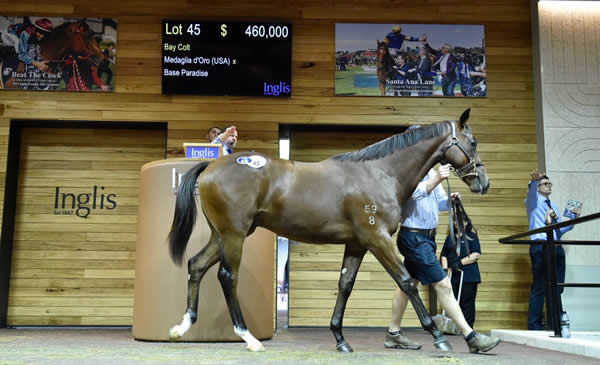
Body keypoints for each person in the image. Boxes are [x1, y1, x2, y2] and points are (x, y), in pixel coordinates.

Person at [385, 126, 500, 353]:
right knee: (443, 284)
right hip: (413, 236)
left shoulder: (430, 169)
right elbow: (413, 193)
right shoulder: (407, 169)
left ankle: (393, 334)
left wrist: (450, 201)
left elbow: (437, 201)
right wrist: (437, 178)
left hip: (426, 238)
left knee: (406, 286)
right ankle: (471, 337)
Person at [525, 169, 581, 330]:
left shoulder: (554, 206)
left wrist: (573, 219)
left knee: (557, 286)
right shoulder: (533, 202)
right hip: (541, 246)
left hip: (556, 246)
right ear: (537, 187)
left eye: (550, 183)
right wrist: (534, 181)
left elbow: (559, 230)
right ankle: (534, 325)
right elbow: (530, 196)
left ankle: (555, 323)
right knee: (540, 286)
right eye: (545, 184)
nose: (549, 186)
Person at [440, 205, 481, 329]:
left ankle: (468, 328)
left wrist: (460, 263)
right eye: (455, 220)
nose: (457, 223)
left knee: (467, 302)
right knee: (452, 301)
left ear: (466, 222)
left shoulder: (472, 236)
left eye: (460, 220)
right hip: (453, 275)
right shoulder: (450, 238)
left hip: (468, 275)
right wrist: (445, 272)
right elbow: (444, 255)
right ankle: (453, 327)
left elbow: (476, 254)